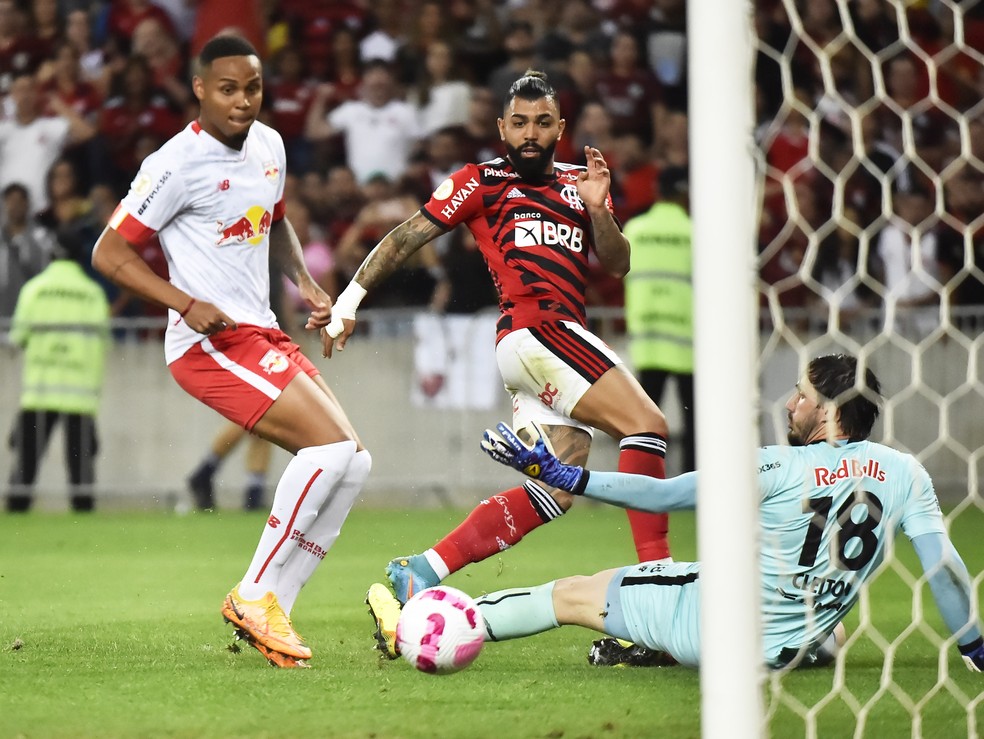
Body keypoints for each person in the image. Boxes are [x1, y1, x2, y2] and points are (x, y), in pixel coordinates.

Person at [370, 354, 984, 674]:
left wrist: (566, 476)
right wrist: (976, 647)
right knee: (833, 627)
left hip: (714, 630)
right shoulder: (906, 473)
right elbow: (947, 572)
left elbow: (662, 495)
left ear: (827, 411)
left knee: (574, 593)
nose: (791, 402)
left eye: (803, 395)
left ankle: (430, 628)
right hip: (794, 640)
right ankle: (654, 643)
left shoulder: (775, 465)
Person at [329, 70, 672, 610]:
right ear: (501, 128)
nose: (529, 133)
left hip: (536, 351)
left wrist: (600, 210)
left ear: (560, 127)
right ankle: (660, 584)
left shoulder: (579, 183)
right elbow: (407, 236)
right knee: (647, 426)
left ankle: (422, 570)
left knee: (556, 490)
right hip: (541, 332)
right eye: (519, 124)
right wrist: (348, 301)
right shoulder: (482, 180)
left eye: (541, 123)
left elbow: (617, 263)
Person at [90, 36, 371, 670]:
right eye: (228, 89)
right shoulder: (175, 163)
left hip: (261, 329)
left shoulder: (269, 145)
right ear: (199, 90)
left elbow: (273, 219)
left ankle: (276, 608)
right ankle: (251, 594)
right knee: (328, 449)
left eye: (252, 88)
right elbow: (109, 254)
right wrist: (185, 303)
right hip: (206, 342)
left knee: (354, 462)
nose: (242, 101)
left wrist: (306, 281)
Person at [6, 226, 109, 513]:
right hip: (80, 394)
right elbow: (103, 339)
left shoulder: (34, 290)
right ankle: (83, 513)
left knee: (26, 460)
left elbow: (18, 338)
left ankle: (16, 510)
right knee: (81, 466)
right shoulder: (93, 294)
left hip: (40, 389)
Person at [622, 166, 695, 474]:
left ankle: (638, 481)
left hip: (648, 340)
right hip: (688, 343)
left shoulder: (636, 229)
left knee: (641, 423)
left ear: (657, 191)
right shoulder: (695, 231)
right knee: (695, 422)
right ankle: (694, 483)